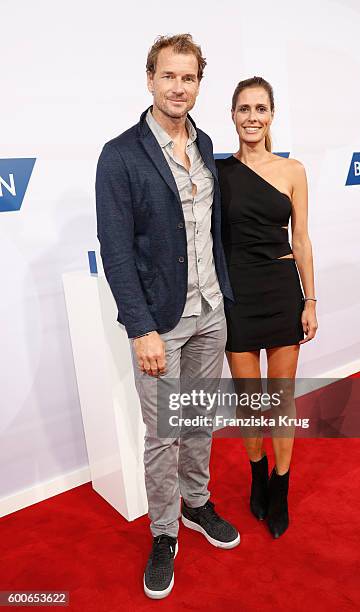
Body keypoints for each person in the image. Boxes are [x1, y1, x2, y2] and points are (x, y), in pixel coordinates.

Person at [95, 34, 240, 600]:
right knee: (164, 434)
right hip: (161, 320)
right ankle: (163, 532)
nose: (178, 87)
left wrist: (223, 296)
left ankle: (198, 504)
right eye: (168, 76)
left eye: (189, 78)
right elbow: (116, 250)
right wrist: (141, 328)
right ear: (150, 79)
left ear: (198, 84)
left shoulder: (204, 145)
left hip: (210, 311)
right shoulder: (121, 154)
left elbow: (210, 232)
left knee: (200, 420)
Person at [216, 76, 318, 539]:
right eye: (244, 109)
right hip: (237, 295)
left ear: (272, 114)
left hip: (280, 293)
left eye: (260, 108)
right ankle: (256, 473)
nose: (252, 117)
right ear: (233, 116)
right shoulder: (218, 173)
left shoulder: (293, 169)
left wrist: (310, 300)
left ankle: (281, 485)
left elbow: (301, 240)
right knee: (250, 402)